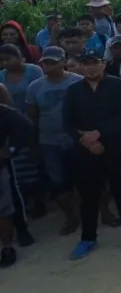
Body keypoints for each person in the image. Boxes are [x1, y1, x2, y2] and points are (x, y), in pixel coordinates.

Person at [62, 49, 121, 259]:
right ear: (81, 66)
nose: (91, 67)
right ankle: (88, 238)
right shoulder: (73, 90)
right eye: (86, 63)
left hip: (116, 149)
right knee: (88, 198)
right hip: (86, 152)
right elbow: (67, 122)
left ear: (103, 64)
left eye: (95, 62)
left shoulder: (116, 85)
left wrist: (99, 133)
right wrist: (85, 140)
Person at [25, 47, 84, 237]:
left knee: (88, 177)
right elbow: (32, 118)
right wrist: (33, 144)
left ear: (63, 61)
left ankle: (101, 212)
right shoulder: (35, 87)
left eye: (52, 61)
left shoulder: (78, 81)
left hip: (77, 139)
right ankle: (71, 217)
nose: (48, 66)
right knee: (58, 183)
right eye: (45, 62)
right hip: (49, 142)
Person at [0, 97, 34, 268]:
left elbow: (26, 128)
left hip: (1, 168)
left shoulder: (4, 112)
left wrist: (11, 149)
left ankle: (19, 233)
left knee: (9, 203)